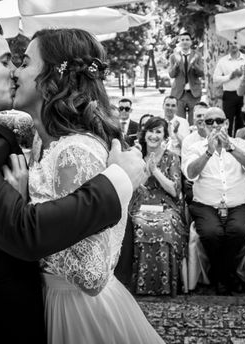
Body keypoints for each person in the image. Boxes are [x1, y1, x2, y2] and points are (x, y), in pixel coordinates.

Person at [0, 13, 147, 344]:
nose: (14, 71)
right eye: (7, 60)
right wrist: (119, 179)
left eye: (20, 62)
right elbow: (22, 229)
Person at [11, 27, 163, 343]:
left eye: (24, 63)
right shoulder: (44, 136)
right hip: (53, 299)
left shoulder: (74, 152)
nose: (14, 72)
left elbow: (91, 275)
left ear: (54, 76)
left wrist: (21, 210)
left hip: (80, 311)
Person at [182, 106, 245, 295]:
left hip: (236, 205)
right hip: (205, 205)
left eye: (219, 121)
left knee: (239, 232)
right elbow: (190, 174)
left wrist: (231, 148)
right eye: (209, 122)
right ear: (203, 125)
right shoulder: (195, 148)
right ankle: (227, 276)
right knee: (211, 233)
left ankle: (219, 275)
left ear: (227, 123)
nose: (215, 125)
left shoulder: (241, 143)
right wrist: (208, 152)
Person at [130, 116, 186, 297]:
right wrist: (147, 169)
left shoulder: (172, 158)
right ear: (144, 133)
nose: (153, 136)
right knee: (140, 225)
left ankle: (165, 286)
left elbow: (175, 191)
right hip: (141, 203)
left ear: (164, 137)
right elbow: (133, 185)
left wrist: (156, 171)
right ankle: (141, 285)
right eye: (150, 131)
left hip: (166, 205)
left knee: (164, 226)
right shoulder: (135, 155)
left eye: (158, 132)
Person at [168, 32, 204, 124]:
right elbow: (171, 75)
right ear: (179, 42)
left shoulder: (197, 55)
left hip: (194, 93)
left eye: (187, 39)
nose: (185, 42)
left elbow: (201, 73)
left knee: (194, 121)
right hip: (179, 93)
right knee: (180, 122)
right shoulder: (173, 56)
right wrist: (176, 65)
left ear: (191, 42)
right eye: (182, 40)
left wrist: (194, 65)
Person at [213, 41, 245, 135]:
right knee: (227, 122)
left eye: (236, 43)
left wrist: (243, 75)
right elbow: (215, 79)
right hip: (229, 95)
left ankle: (240, 145)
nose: (234, 45)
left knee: (241, 123)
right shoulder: (222, 61)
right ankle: (226, 145)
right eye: (231, 43)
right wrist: (230, 76)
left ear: (240, 44)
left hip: (244, 95)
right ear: (228, 45)